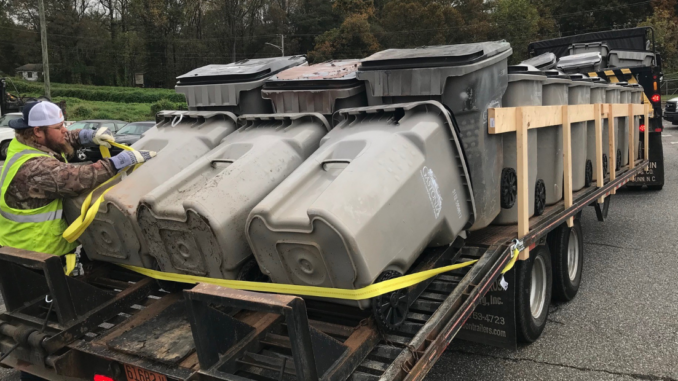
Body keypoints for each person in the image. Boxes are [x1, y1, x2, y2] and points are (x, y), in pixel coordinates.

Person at [0, 101, 156, 256]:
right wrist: (117, 162)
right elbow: (76, 178)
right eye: (58, 127)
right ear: (38, 131)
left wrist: (87, 135)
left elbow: (62, 137)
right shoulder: (33, 168)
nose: (64, 130)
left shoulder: (26, 143)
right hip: (32, 254)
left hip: (34, 248)